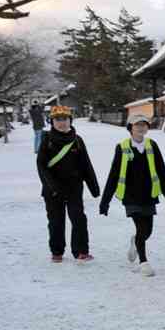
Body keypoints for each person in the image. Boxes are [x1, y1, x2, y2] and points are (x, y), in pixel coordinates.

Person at [100, 114, 165, 277]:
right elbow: (114, 174)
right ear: (130, 128)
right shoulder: (122, 147)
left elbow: (162, 172)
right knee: (141, 228)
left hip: (149, 195)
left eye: (144, 125)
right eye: (137, 125)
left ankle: (135, 241)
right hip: (131, 196)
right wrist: (105, 201)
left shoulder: (152, 145)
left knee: (147, 231)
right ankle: (144, 262)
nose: (141, 128)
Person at [36, 105, 100, 263]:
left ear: (70, 120)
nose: (61, 123)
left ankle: (81, 251)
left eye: (64, 119)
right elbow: (41, 166)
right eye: (57, 119)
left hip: (74, 187)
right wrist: (53, 186)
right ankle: (57, 252)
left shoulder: (77, 141)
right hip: (52, 190)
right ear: (52, 122)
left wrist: (94, 188)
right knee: (56, 220)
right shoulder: (46, 140)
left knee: (78, 219)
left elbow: (86, 165)